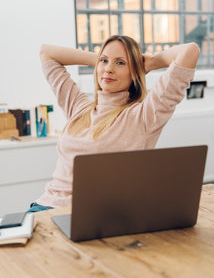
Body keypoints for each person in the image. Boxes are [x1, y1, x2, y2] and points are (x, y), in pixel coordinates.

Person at [27, 35, 200, 213]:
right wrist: (103, 60)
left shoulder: (144, 115)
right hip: (44, 207)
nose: (108, 69)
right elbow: (47, 52)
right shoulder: (78, 106)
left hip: (91, 214)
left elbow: (190, 51)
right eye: (104, 61)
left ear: (134, 71)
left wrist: (147, 64)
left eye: (120, 63)